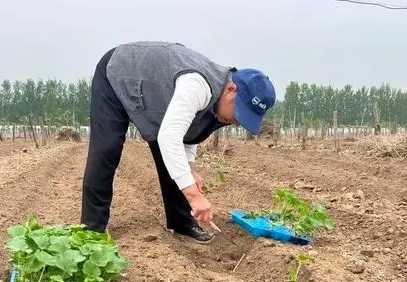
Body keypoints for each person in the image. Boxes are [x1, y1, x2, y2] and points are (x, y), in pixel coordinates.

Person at [80, 41, 276, 243]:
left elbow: (190, 132)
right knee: (107, 148)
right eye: (238, 113)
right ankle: (92, 228)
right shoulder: (197, 85)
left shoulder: (218, 99)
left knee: (176, 158)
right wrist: (193, 195)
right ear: (231, 90)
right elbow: (171, 136)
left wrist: (190, 168)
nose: (236, 122)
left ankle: (183, 223)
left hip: (154, 97)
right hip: (118, 73)